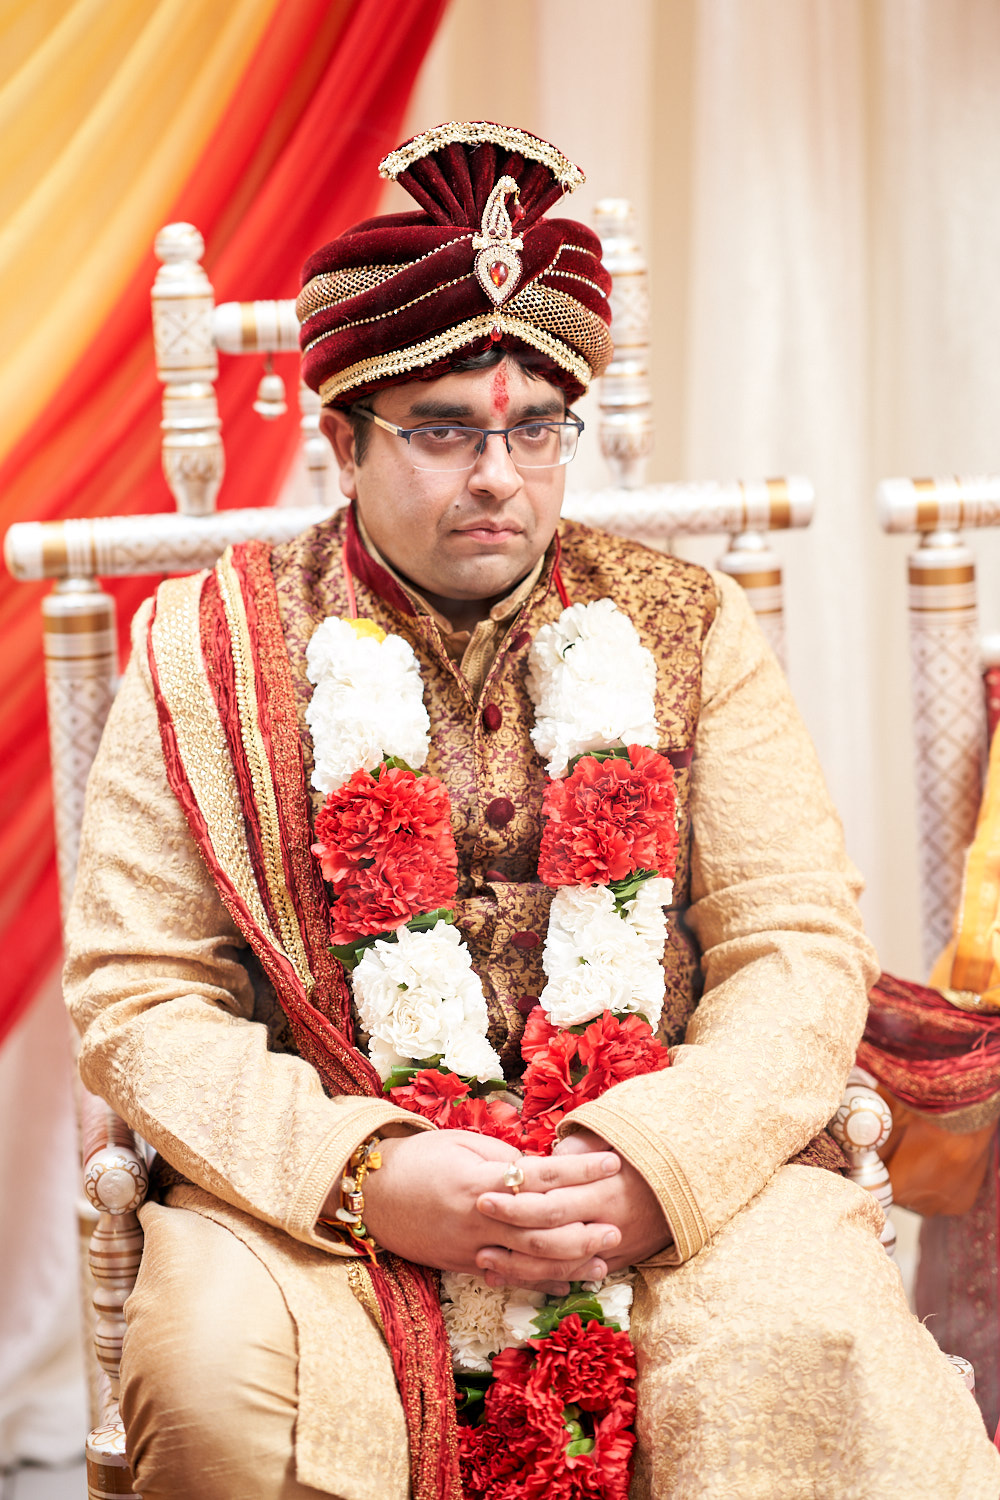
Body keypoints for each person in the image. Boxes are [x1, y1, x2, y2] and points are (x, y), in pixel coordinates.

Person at [64, 122, 1000, 1499]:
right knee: (226, 1403)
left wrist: (649, 1160)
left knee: (809, 1348)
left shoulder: (689, 626)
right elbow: (142, 996)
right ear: (342, 441)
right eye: (444, 429)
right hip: (316, 1209)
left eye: (535, 428)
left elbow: (793, 948)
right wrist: (367, 1175)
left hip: (662, 1181)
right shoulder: (201, 648)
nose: (498, 474)